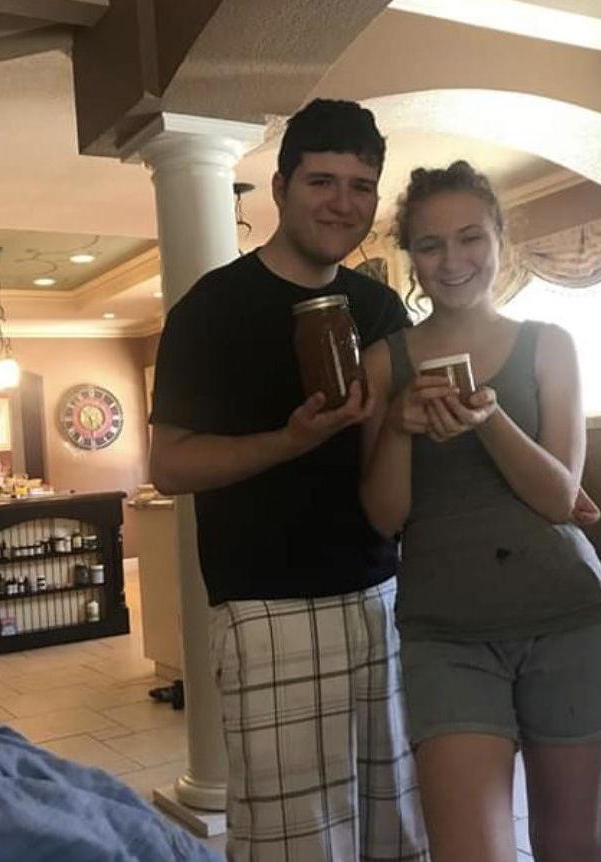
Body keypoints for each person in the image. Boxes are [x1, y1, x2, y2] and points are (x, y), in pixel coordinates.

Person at [148, 99, 429, 862]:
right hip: (268, 605)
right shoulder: (213, 309)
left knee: (396, 826)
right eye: (322, 181)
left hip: (382, 595)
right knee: (295, 841)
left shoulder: (378, 307)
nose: (344, 203)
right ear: (278, 187)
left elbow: (398, 457)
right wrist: (288, 440)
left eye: (362, 186)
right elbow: (169, 465)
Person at [359, 160, 601, 862]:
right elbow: (385, 518)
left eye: (470, 237)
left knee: (569, 847)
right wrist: (396, 426)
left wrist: (488, 417)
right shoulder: (385, 363)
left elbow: (558, 499)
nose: (452, 261)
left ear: (501, 240)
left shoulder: (550, 345)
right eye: (430, 244)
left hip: (571, 623)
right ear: (410, 256)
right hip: (446, 638)